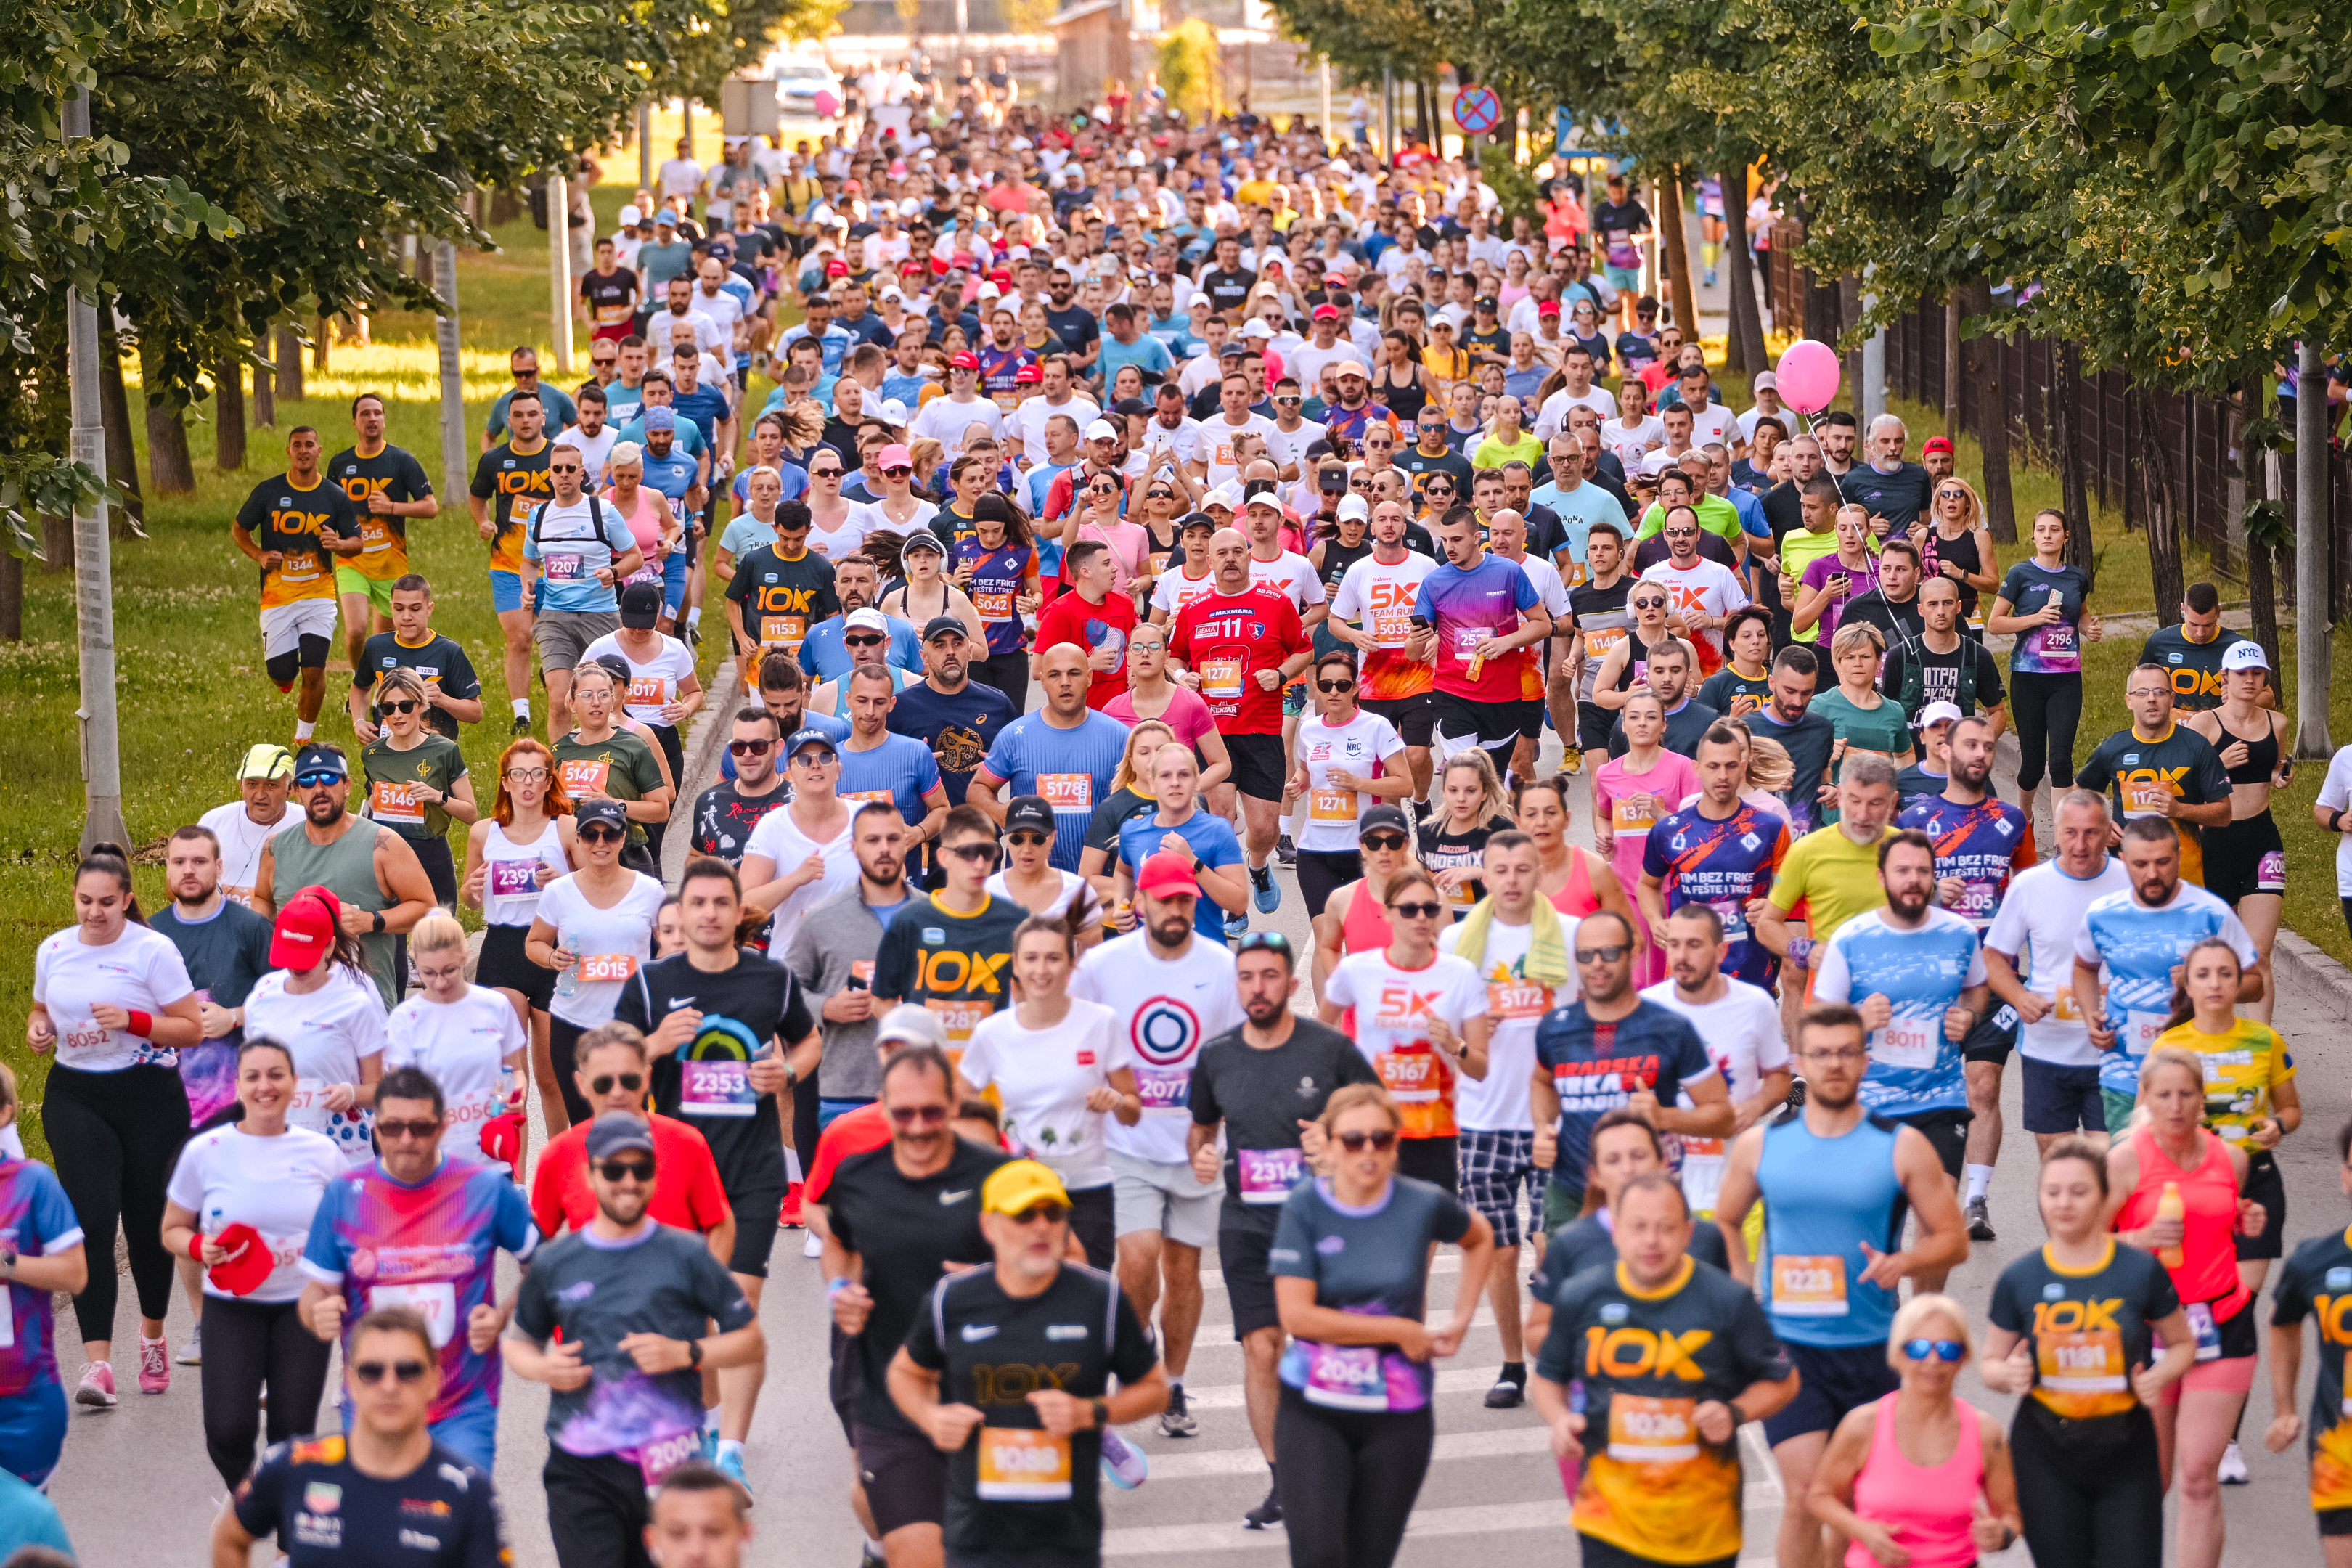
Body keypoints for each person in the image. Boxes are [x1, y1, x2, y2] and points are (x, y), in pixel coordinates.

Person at [1710, 1005, 1970, 1568]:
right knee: (1807, 1496)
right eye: (1821, 1054)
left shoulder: (1899, 1146)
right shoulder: (1763, 1146)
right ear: (1801, 1062)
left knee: (1855, 1500)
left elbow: (1953, 1240)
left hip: (1874, 1349)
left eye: (1845, 1053)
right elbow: (1726, 1219)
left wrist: (1904, 1260)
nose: (1834, 1065)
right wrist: (1741, 1296)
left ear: (1864, 1060)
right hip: (1790, 1350)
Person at [616, 857, 818, 1491]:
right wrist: (651, 1046)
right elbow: (606, 1065)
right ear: (683, 913)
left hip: (752, 1171)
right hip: (675, 1172)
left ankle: (729, 1449)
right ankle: (699, 1425)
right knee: (688, 1319)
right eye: (696, 903)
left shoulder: (771, 981)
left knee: (738, 1312)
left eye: (719, 904)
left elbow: (809, 1042)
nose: (708, 914)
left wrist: (786, 1073)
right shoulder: (651, 985)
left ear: (737, 913)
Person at [504, 1113, 764, 1566]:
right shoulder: (559, 1262)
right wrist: (545, 1368)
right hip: (582, 1466)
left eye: (641, 1170)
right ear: (589, 1174)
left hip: (671, 1466)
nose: (629, 1182)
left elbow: (751, 1342)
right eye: (614, 1170)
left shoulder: (688, 1254)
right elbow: (519, 1344)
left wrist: (686, 1352)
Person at [889, 1157, 1168, 1568]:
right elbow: (906, 1372)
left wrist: (1090, 1412)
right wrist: (930, 1416)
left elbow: (1155, 1389)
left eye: (1053, 1214)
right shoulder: (953, 1300)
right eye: (1023, 1215)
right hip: (975, 1535)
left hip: (1067, 1537)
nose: (1041, 1226)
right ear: (989, 1226)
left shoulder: (1100, 1300)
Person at [1267, 1083, 1495, 1568]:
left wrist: (1462, 1318)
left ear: (1396, 1144)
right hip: (1314, 1408)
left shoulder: (1423, 1203)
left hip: (1398, 1412)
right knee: (1320, 1556)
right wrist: (1398, 1332)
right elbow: (1297, 1316)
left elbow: (1481, 1238)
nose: (1368, 1150)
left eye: (1382, 1139)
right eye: (1353, 1140)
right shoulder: (1305, 1206)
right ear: (1328, 1144)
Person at [1533, 1172, 1800, 1568]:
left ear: (1689, 1233)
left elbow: (1783, 1381)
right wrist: (1558, 1420)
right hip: (1608, 1518)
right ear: (1617, 1233)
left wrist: (1735, 1412)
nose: (1651, 1241)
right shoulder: (1581, 1296)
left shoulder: (1728, 1301)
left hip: (1703, 1526)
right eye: (1638, 1228)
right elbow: (1547, 1377)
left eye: (1665, 1228)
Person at [295, 1062, 538, 1475]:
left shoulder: (486, 1190)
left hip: (462, 1404)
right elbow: (313, 1296)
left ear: (443, 1126)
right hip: (374, 1399)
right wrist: (316, 1315)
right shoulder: (344, 1195)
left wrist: (504, 1318)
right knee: (382, 1532)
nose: (406, 1140)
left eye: (421, 1128)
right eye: (392, 1128)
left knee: (454, 1524)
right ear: (376, 1129)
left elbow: (544, 1267)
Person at [28, 842, 203, 1406]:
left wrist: (134, 1020)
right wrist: (39, 1029)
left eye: (106, 902)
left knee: (149, 1222)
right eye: (84, 901)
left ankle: (152, 1336)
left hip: (149, 1094)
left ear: (127, 900)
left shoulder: (153, 951)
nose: (94, 912)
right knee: (93, 1224)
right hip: (77, 1094)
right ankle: (97, 1365)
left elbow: (191, 1029)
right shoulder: (53, 949)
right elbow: (39, 1009)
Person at [822, 1048, 1012, 1567]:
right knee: (919, 1555)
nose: (919, 1127)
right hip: (891, 1398)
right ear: (883, 1108)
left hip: (993, 1397)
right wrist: (840, 1291)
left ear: (954, 1103)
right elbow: (840, 1243)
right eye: (904, 1114)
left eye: (931, 1112)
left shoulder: (1001, 1176)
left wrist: (998, 1280)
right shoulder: (859, 1178)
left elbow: (1065, 1262)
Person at [1982, 1139, 2192, 1566]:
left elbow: (2183, 1344)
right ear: (2039, 1198)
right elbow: (1989, 1363)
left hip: (2126, 1451)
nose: (2064, 1203)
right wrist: (2008, 1375)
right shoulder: (2020, 1278)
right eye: (2053, 1192)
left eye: (2079, 1192)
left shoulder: (2140, 1271)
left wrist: (2160, 1375)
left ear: (2102, 1197)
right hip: (2045, 1451)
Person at [2104, 1047, 2268, 1568]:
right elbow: (2081, 1246)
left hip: (2221, 1323)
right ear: (2145, 1101)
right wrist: (2141, 1236)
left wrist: (2245, 1220)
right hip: (2148, 1328)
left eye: (2186, 1094)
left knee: (2199, 1476)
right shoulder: (2123, 1160)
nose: (2175, 1106)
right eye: (2163, 1095)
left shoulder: (2233, 1158)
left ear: (2202, 1101)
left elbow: (2218, 1224)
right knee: (2152, 1479)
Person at [1809, 829, 1990, 1290]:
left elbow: (1977, 986)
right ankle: (1880, 1319)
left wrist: (1967, 1016)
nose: (1913, 881)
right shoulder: (1852, 939)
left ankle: (1924, 1319)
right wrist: (1856, 1018)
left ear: (1934, 878)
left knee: (1938, 1220)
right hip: (1871, 1106)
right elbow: (1817, 1019)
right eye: (1903, 871)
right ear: (1881, 877)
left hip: (1941, 1099)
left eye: (1922, 872)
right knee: (1875, 1231)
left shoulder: (1959, 933)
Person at [162, 1037, 344, 1488]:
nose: (266, 1086)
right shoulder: (206, 1151)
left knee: (292, 1432)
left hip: (301, 1308)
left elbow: (353, 1228)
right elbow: (171, 1229)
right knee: (227, 1431)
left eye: (276, 1075)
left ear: (294, 1084)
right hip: (231, 1305)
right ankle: (247, 1504)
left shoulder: (321, 1153)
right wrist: (198, 1247)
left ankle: (287, 1544)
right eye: (254, 1077)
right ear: (239, 1088)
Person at [1435, 830, 1575, 1406]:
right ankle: (1513, 1364)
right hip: (1483, 1117)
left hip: (1552, 1117)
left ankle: (1558, 1352)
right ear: (1484, 877)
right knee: (1499, 1248)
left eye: (1523, 868)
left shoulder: (1568, 937)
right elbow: (1438, 1035)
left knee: (1552, 1246)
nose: (1513, 879)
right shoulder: (1455, 941)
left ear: (1539, 873)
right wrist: (1469, 1034)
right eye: (1502, 870)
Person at [213, 1307, 508, 1568]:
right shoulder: (293, 1466)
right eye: (372, 1371)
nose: (389, 1385)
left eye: (408, 1371)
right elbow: (229, 1539)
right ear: (350, 1381)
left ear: (434, 1381)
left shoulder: (470, 1493)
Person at [1895, 715, 2034, 1236]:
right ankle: (1928, 1189)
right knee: (1929, 1089)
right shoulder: (1917, 819)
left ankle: (1975, 1199)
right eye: (1970, 745)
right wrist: (1931, 896)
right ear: (1946, 751)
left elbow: (2028, 895)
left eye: (1988, 746)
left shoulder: (2010, 822)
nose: (1980, 753)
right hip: (1931, 978)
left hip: (1995, 976)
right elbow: (1892, 902)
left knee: (1983, 1085)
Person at [959, 906, 1141, 1269]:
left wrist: (1117, 1100)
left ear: (1072, 965)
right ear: (1016, 966)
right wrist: (992, 1144)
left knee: (1087, 1304)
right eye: (1031, 959)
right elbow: (960, 1105)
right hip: (1018, 1191)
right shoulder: (992, 1033)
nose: (1041, 970)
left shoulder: (1100, 1023)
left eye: (1053, 958)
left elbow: (1134, 1109)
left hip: (1087, 1190)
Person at [1530, 908, 1732, 1226]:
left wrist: (1665, 1117)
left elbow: (1723, 1117)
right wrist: (1543, 1127)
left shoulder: (1670, 1028)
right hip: (1572, 1192)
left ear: (1633, 953)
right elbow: (1542, 1081)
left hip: (1649, 1199)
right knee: (1562, 1273)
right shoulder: (1555, 1027)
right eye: (1585, 955)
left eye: (1609, 953)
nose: (1596, 964)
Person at [2071, 817, 2261, 1134]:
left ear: (2179, 857)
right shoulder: (2104, 913)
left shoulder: (2211, 912)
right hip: (2125, 1072)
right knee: (2134, 1176)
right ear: (2123, 862)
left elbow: (2255, 985)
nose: (2153, 874)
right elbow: (2083, 967)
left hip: (2198, 1075)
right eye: (2141, 864)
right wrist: (2092, 1014)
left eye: (2163, 862)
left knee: (2194, 1176)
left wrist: (2202, 982)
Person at [1807, 1295, 2023, 1568]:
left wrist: (2001, 1534)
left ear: (1964, 1357)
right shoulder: (1863, 1425)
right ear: (1898, 1354)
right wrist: (1863, 1532)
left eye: (1948, 1349)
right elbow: (1820, 1496)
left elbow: (2010, 1515)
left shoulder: (1985, 1432)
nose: (1933, 1360)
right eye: (1918, 1348)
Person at [1983, 790, 2133, 1153]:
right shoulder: (2030, 886)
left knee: (2109, 1164)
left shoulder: (2130, 881)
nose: (2079, 845)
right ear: (2056, 832)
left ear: (2108, 831)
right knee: (2059, 1170)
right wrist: (2020, 998)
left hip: (2115, 1051)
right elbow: (1992, 958)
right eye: (2070, 833)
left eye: (2091, 833)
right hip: (2047, 1049)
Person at [1526, 1110, 1736, 1352]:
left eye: (1638, 1156)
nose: (1627, 1169)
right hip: (1602, 1385)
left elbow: (1731, 1328)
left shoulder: (1705, 1238)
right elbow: (1535, 1336)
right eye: (1613, 1160)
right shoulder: (1570, 1243)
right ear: (1596, 1176)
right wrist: (1594, 1343)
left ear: (1662, 1163)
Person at [2159, 938, 2298, 1295]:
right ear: (2188, 985)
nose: (2215, 984)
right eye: (2203, 975)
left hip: (2256, 1182)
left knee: (2239, 1304)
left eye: (2225, 974)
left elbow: (2291, 1110)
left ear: (2240, 983)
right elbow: (2145, 1118)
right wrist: (2180, 1117)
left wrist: (2277, 1125)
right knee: (2193, 1300)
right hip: (2190, 1183)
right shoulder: (2169, 1046)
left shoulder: (2265, 1040)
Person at [257, 741, 437, 1009]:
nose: (319, 789)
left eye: (329, 778)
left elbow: (428, 908)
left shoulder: (383, 844)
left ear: (347, 786)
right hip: (296, 1007)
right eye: (307, 781)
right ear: (295, 792)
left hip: (365, 1008)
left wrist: (371, 920)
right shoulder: (276, 848)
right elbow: (262, 900)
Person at [525, 797, 669, 1131]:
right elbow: (534, 943)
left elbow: (671, 946)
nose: (600, 843)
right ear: (578, 839)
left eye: (610, 835)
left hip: (632, 1024)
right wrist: (550, 957)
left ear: (623, 838)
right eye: (590, 835)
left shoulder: (650, 891)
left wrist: (658, 970)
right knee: (584, 1126)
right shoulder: (559, 892)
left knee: (636, 1121)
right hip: (573, 1023)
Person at [460, 737, 577, 1131]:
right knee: (511, 1082)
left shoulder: (565, 829)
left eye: (536, 774)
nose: (527, 782)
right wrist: (472, 890)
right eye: (518, 774)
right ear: (506, 782)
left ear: (548, 782)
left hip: (549, 949)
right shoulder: (483, 833)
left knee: (550, 1077)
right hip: (503, 950)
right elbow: (470, 900)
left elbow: (588, 889)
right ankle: (513, 1180)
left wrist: (562, 881)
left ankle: (560, 1176)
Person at [232, 425, 364, 743]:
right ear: (288, 452)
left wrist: (339, 544)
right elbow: (239, 529)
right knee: (282, 672)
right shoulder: (269, 491)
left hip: (319, 594)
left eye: (309, 445)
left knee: (315, 671)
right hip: (277, 596)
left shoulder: (335, 496)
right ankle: (284, 677)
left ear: (319, 451)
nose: (303, 450)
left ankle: (303, 738)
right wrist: (260, 555)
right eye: (297, 445)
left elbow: (357, 543)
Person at [1637, 723, 1791, 990]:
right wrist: (1655, 921)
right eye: (1713, 766)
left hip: (1751, 972)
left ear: (1743, 767)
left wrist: (1774, 907)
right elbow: (1647, 884)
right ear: (1697, 769)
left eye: (1731, 766)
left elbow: (1789, 891)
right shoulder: (1669, 830)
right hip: (1686, 973)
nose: (1723, 775)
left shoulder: (1770, 828)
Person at [870, 805, 1026, 1066]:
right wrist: (909, 1049)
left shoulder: (1015, 922)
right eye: (968, 853)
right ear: (943, 857)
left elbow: (1028, 997)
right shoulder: (911, 921)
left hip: (990, 1069)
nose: (979, 863)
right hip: (927, 1068)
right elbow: (881, 1002)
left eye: (988, 853)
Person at [2185, 640, 2292, 1016]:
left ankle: (2263, 1050)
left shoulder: (2276, 723)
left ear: (2265, 679)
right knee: (2219, 955)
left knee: (2259, 954)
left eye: (2256, 674)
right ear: (2224, 679)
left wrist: (2280, 777)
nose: (2249, 680)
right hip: (2215, 843)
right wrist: (2219, 763)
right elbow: (2186, 786)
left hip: (2262, 840)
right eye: (2241, 674)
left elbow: (2275, 767)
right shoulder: (2204, 724)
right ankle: (2216, 1035)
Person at [2263, 1116, 2352, 1564]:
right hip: (2340, 1448)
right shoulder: (2315, 1261)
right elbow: (2282, 1324)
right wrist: (2284, 1408)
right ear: (2345, 1177)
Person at [1408, 505, 1552, 775]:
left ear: (1477, 538)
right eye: (1445, 540)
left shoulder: (1508, 572)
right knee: (1466, 775)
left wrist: (1506, 642)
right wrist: (1416, 640)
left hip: (1503, 697)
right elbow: (1413, 653)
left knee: (1492, 783)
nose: (1449, 548)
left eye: (1457, 539)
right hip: (1453, 694)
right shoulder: (1434, 582)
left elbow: (1543, 625)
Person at [520, 438, 648, 740]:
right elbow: (528, 561)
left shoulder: (602, 511)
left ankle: (608, 758)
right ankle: (563, 775)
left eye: (570, 468)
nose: (564, 474)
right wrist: (527, 587)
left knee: (604, 700)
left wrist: (614, 572)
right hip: (554, 617)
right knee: (559, 701)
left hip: (600, 616)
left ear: (581, 474)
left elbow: (636, 557)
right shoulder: (538, 516)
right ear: (549, 474)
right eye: (557, 469)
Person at [968, 645, 1132, 875]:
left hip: (1096, 884)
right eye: (1055, 675)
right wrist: (1000, 813)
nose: (1065, 682)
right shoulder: (1015, 736)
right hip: (1030, 884)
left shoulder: (1119, 737)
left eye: (1074, 673)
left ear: (1089, 677)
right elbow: (978, 788)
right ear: (1043, 681)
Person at [1985, 507, 2102, 829]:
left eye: (2055, 529)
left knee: (2061, 761)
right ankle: (2025, 816)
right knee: (2034, 766)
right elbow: (1994, 623)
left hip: (2066, 679)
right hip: (2028, 678)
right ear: (2033, 536)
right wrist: (2036, 619)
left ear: (2066, 536)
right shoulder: (2021, 574)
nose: (2048, 535)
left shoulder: (2077, 576)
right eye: (2042, 529)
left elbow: (2080, 613)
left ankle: (2065, 838)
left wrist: (2088, 628)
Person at [1754, 757, 1903, 1004]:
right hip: (1831, 1008)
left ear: (1893, 801)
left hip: (1898, 1003)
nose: (1863, 814)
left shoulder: (1908, 849)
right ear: (1841, 795)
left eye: (1875, 803)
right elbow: (1767, 925)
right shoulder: (1807, 851)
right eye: (1855, 801)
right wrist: (1805, 950)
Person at [0, 1063, 85, 1491]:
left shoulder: (32, 1182)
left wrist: (8, 1265)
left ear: (4, 1113)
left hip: (22, 1400)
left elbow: (75, 1274)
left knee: (19, 1540)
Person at [380, 911, 528, 1158]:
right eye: (428, 973)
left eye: (449, 970)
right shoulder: (405, 1018)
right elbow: (399, 1093)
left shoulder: (495, 1005)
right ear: (415, 960)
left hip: (491, 1153)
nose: (440, 983)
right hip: (434, 1159)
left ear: (465, 957)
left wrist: (518, 1093)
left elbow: (516, 1071)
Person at [328, 394, 442, 673]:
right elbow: (326, 507)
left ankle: (382, 690)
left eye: (378, 413)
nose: (372, 418)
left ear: (385, 420)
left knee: (385, 642)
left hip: (391, 562)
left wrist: (391, 507)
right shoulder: (340, 463)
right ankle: (360, 681)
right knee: (356, 631)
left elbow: (430, 507)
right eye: (365, 413)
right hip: (351, 559)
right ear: (355, 422)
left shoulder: (402, 461)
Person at [1593, 690, 1699, 985]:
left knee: (1669, 971)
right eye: (1634, 717)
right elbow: (1603, 814)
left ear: (1664, 725)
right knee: (1636, 975)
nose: (1642, 723)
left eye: (1652, 717)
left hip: (1672, 887)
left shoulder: (1683, 768)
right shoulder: (1606, 773)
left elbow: (1699, 829)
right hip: (1626, 886)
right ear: (1623, 724)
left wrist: (1659, 813)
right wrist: (1605, 837)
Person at [356, 666, 476, 911]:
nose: (397, 715)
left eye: (405, 706)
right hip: (386, 853)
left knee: (438, 940)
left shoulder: (444, 750)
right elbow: (373, 802)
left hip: (430, 852)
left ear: (421, 706)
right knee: (391, 937)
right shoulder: (372, 754)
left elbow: (472, 814)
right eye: (388, 708)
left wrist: (438, 797)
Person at [740, 726, 859, 960]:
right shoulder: (773, 827)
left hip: (855, 962)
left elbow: (896, 885)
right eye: (803, 760)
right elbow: (744, 905)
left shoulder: (864, 820)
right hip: (795, 964)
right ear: (789, 774)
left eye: (825, 757)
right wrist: (795, 879)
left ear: (839, 769)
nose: (815, 765)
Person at [551, 661, 674, 877]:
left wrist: (616, 804)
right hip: (572, 859)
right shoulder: (558, 751)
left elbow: (661, 809)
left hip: (625, 857)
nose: (596, 702)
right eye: (587, 695)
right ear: (571, 704)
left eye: (603, 695)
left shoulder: (634, 746)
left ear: (613, 700)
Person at [348, 574, 482, 746]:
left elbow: (476, 713)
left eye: (415, 609)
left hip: (434, 752)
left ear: (429, 608)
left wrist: (442, 699)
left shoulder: (449, 652)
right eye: (399, 608)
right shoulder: (377, 646)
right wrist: (358, 721)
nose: (406, 616)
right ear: (391, 608)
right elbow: (360, 687)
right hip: (385, 751)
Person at [201, 743, 298, 909]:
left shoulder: (307, 824)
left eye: (271, 785)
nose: (260, 795)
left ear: (290, 789)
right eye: (252, 784)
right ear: (241, 786)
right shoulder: (213, 822)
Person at [1421, 751, 1517, 918]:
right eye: (1453, 790)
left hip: (1487, 927)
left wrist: (1480, 873)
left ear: (1484, 792)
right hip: (1439, 931)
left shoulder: (1503, 831)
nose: (1461, 798)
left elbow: (1521, 883)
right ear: (1444, 790)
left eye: (1470, 791)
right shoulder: (1428, 831)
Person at [2140, 580, 2258, 712]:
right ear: (2182, 609)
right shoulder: (2160, 641)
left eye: (2208, 625)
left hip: (2218, 728)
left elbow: (2269, 698)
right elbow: (2138, 687)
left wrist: (2239, 698)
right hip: (2174, 730)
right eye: (2194, 625)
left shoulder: (2238, 647)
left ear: (2219, 612)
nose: (2200, 633)